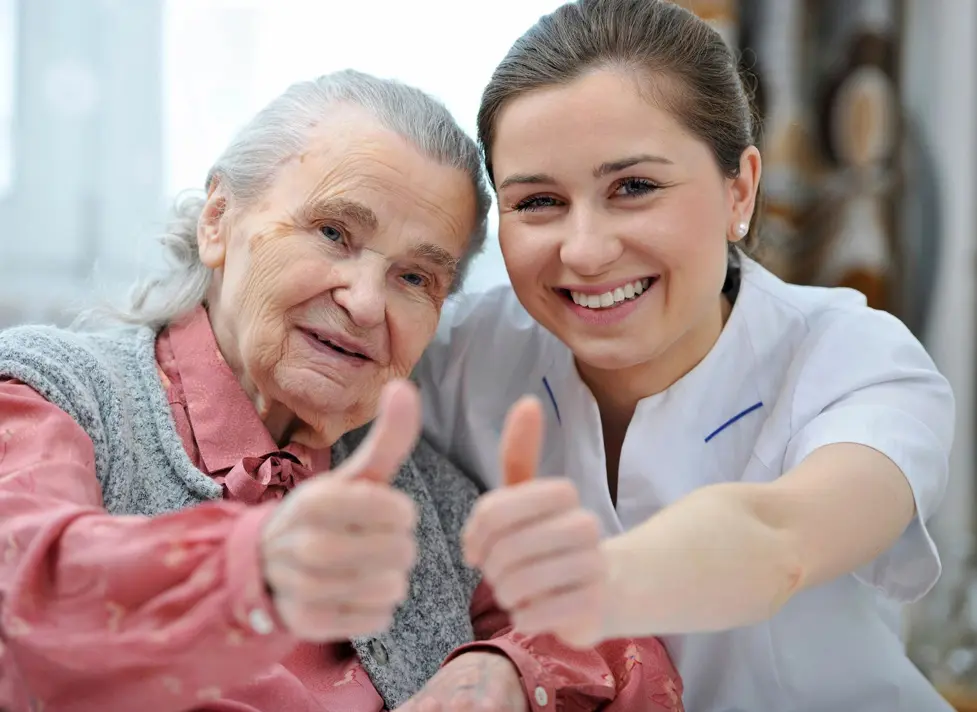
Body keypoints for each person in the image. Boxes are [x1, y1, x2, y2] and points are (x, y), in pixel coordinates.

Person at [0, 70, 683, 712]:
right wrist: (255, 566)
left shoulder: (427, 500)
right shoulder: (53, 394)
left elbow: (623, 650)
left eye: (415, 278)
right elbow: (22, 597)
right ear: (217, 221)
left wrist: (502, 673)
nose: (363, 302)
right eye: (333, 233)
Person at [415, 1, 956, 710]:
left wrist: (575, 604)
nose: (583, 250)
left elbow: (779, 540)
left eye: (633, 188)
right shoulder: (465, 354)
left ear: (740, 189)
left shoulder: (851, 358)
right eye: (538, 201)